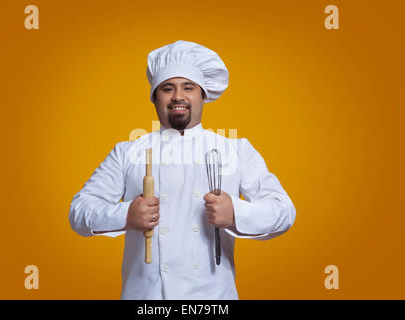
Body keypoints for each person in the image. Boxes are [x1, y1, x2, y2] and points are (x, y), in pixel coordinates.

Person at [69, 40, 296, 299]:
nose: (178, 96)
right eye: (168, 88)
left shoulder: (236, 150)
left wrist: (236, 213)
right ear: (155, 97)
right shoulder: (127, 152)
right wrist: (125, 214)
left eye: (188, 87)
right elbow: (79, 212)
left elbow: (284, 211)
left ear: (203, 95)